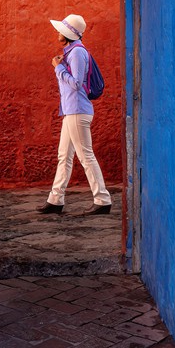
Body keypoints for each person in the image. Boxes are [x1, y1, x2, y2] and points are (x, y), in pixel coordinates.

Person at [41, 13, 112, 215]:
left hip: (78, 111)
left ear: (67, 34)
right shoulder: (72, 52)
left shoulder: (78, 53)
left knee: (85, 155)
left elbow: (76, 83)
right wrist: (61, 66)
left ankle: (102, 199)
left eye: (60, 30)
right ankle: (55, 200)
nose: (57, 32)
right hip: (71, 111)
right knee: (64, 155)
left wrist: (58, 68)